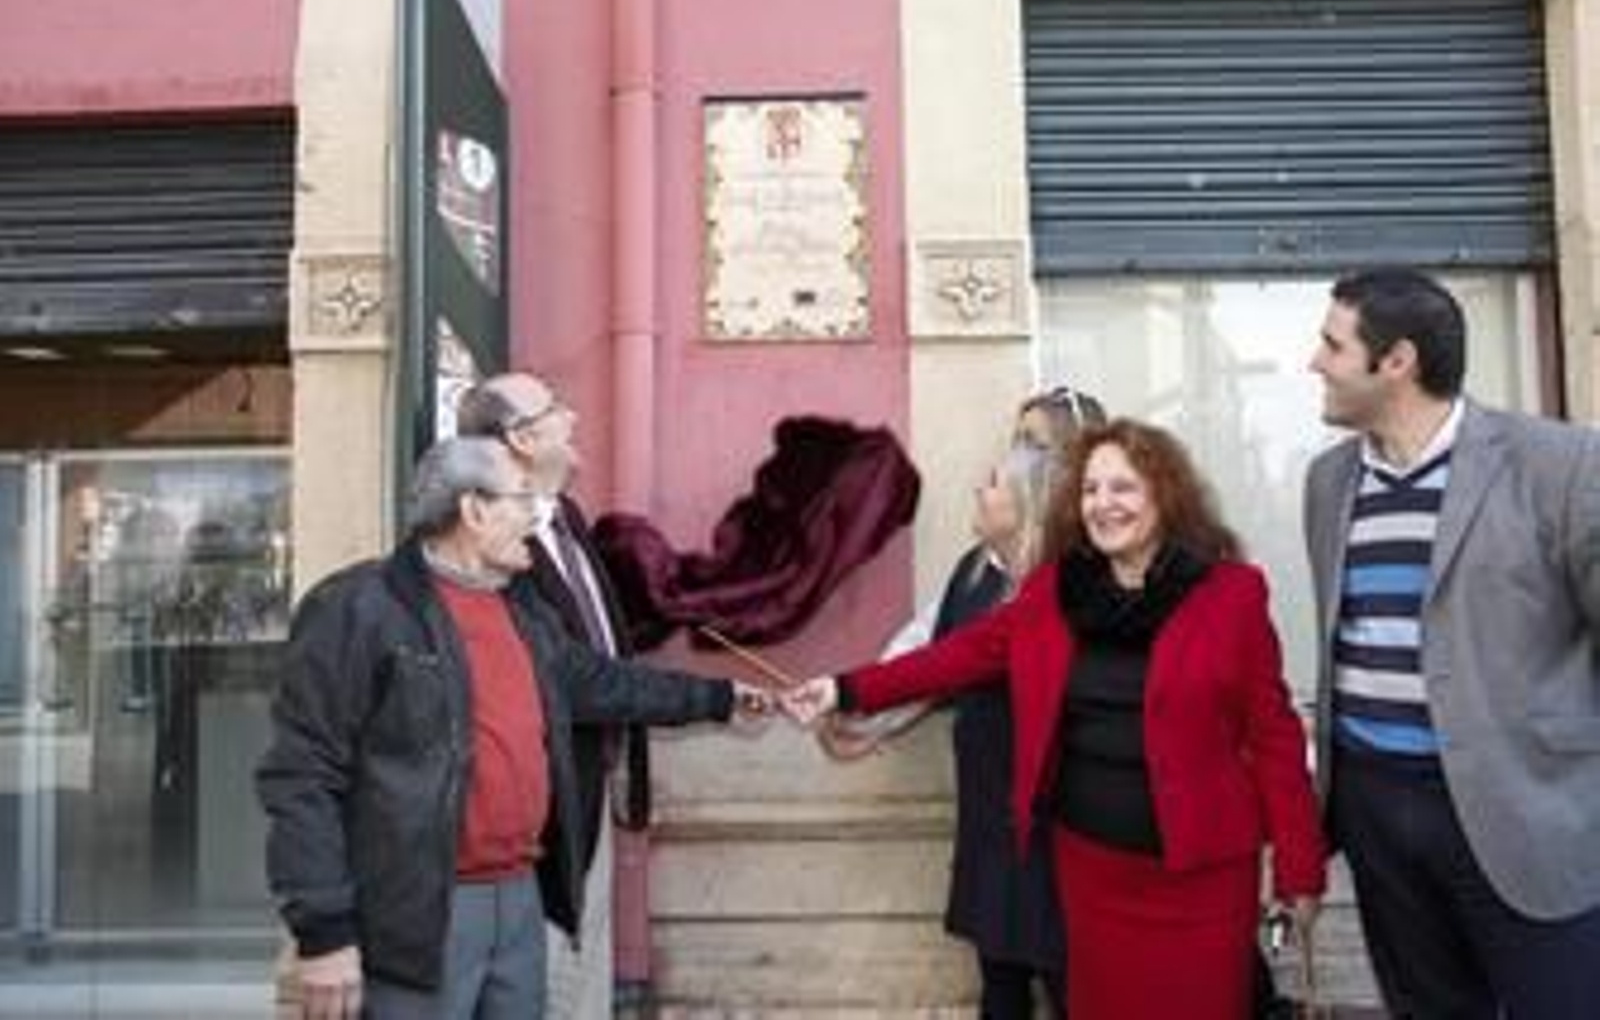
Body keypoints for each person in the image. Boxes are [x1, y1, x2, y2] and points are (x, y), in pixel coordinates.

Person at [785, 419, 1326, 1020]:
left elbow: (1276, 740)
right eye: (1091, 490)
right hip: (1092, 875)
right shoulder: (1053, 592)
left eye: (1123, 487)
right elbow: (957, 655)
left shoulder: (1232, 594)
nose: (1103, 504)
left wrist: (1299, 874)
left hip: (1201, 881)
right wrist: (843, 689)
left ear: (1164, 494)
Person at [256, 437, 769, 1020]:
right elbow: (302, 775)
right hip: (418, 912)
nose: (537, 516)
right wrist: (324, 934)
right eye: (523, 498)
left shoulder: (525, 611)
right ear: (473, 511)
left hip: (520, 901)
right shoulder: (358, 608)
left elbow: (604, 684)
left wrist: (722, 698)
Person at [1304, 267, 1600, 1018]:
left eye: (1332, 345)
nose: (1315, 362)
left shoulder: (1559, 465)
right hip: (1375, 808)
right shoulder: (1328, 481)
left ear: (1396, 361)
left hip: (1526, 813)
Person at [822, 444, 1068, 1018]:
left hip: (1052, 827)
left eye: (992, 482)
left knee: (1069, 984)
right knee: (1000, 983)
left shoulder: (1062, 588)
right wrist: (863, 717)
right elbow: (930, 662)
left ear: (1029, 503)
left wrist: (850, 697)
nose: (977, 491)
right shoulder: (974, 571)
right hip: (989, 817)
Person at [455, 372, 638, 1015]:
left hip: (590, 788)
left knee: (585, 979)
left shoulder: (567, 518)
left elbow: (598, 638)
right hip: (541, 815)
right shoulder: (497, 546)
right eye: (558, 409)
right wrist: (717, 697)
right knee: (552, 989)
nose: (576, 417)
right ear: (524, 439)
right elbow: (572, 678)